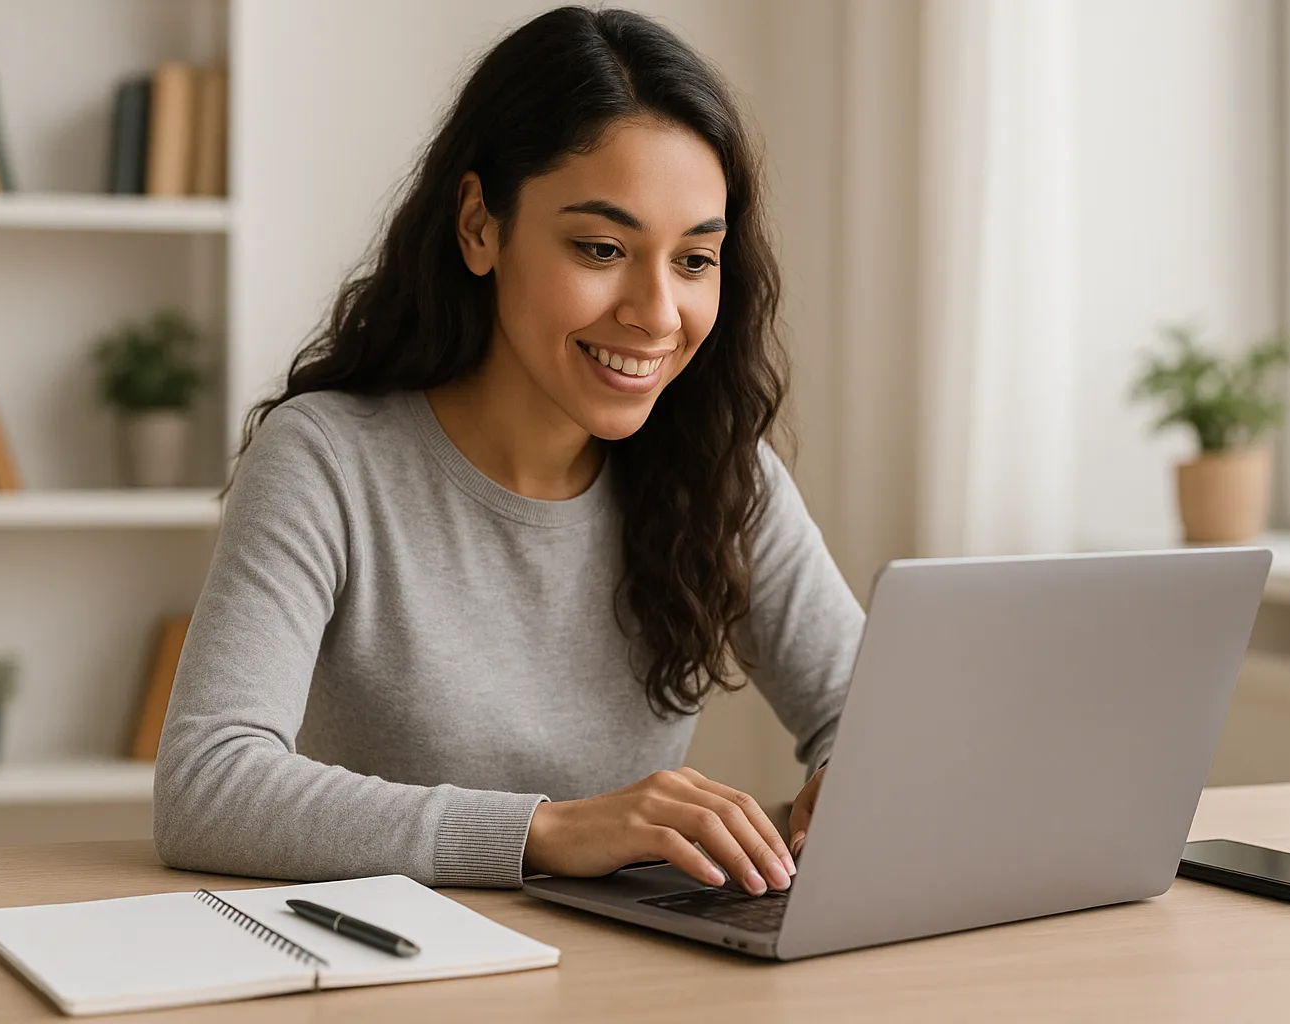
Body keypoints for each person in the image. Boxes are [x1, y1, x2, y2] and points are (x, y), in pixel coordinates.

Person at [153, 5, 863, 897]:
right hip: (402, 968)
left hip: (629, 975)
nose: (656, 313)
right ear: (481, 227)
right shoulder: (327, 460)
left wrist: (863, 783)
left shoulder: (721, 470)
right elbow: (206, 785)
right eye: (601, 248)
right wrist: (545, 831)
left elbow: (868, 719)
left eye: (694, 261)